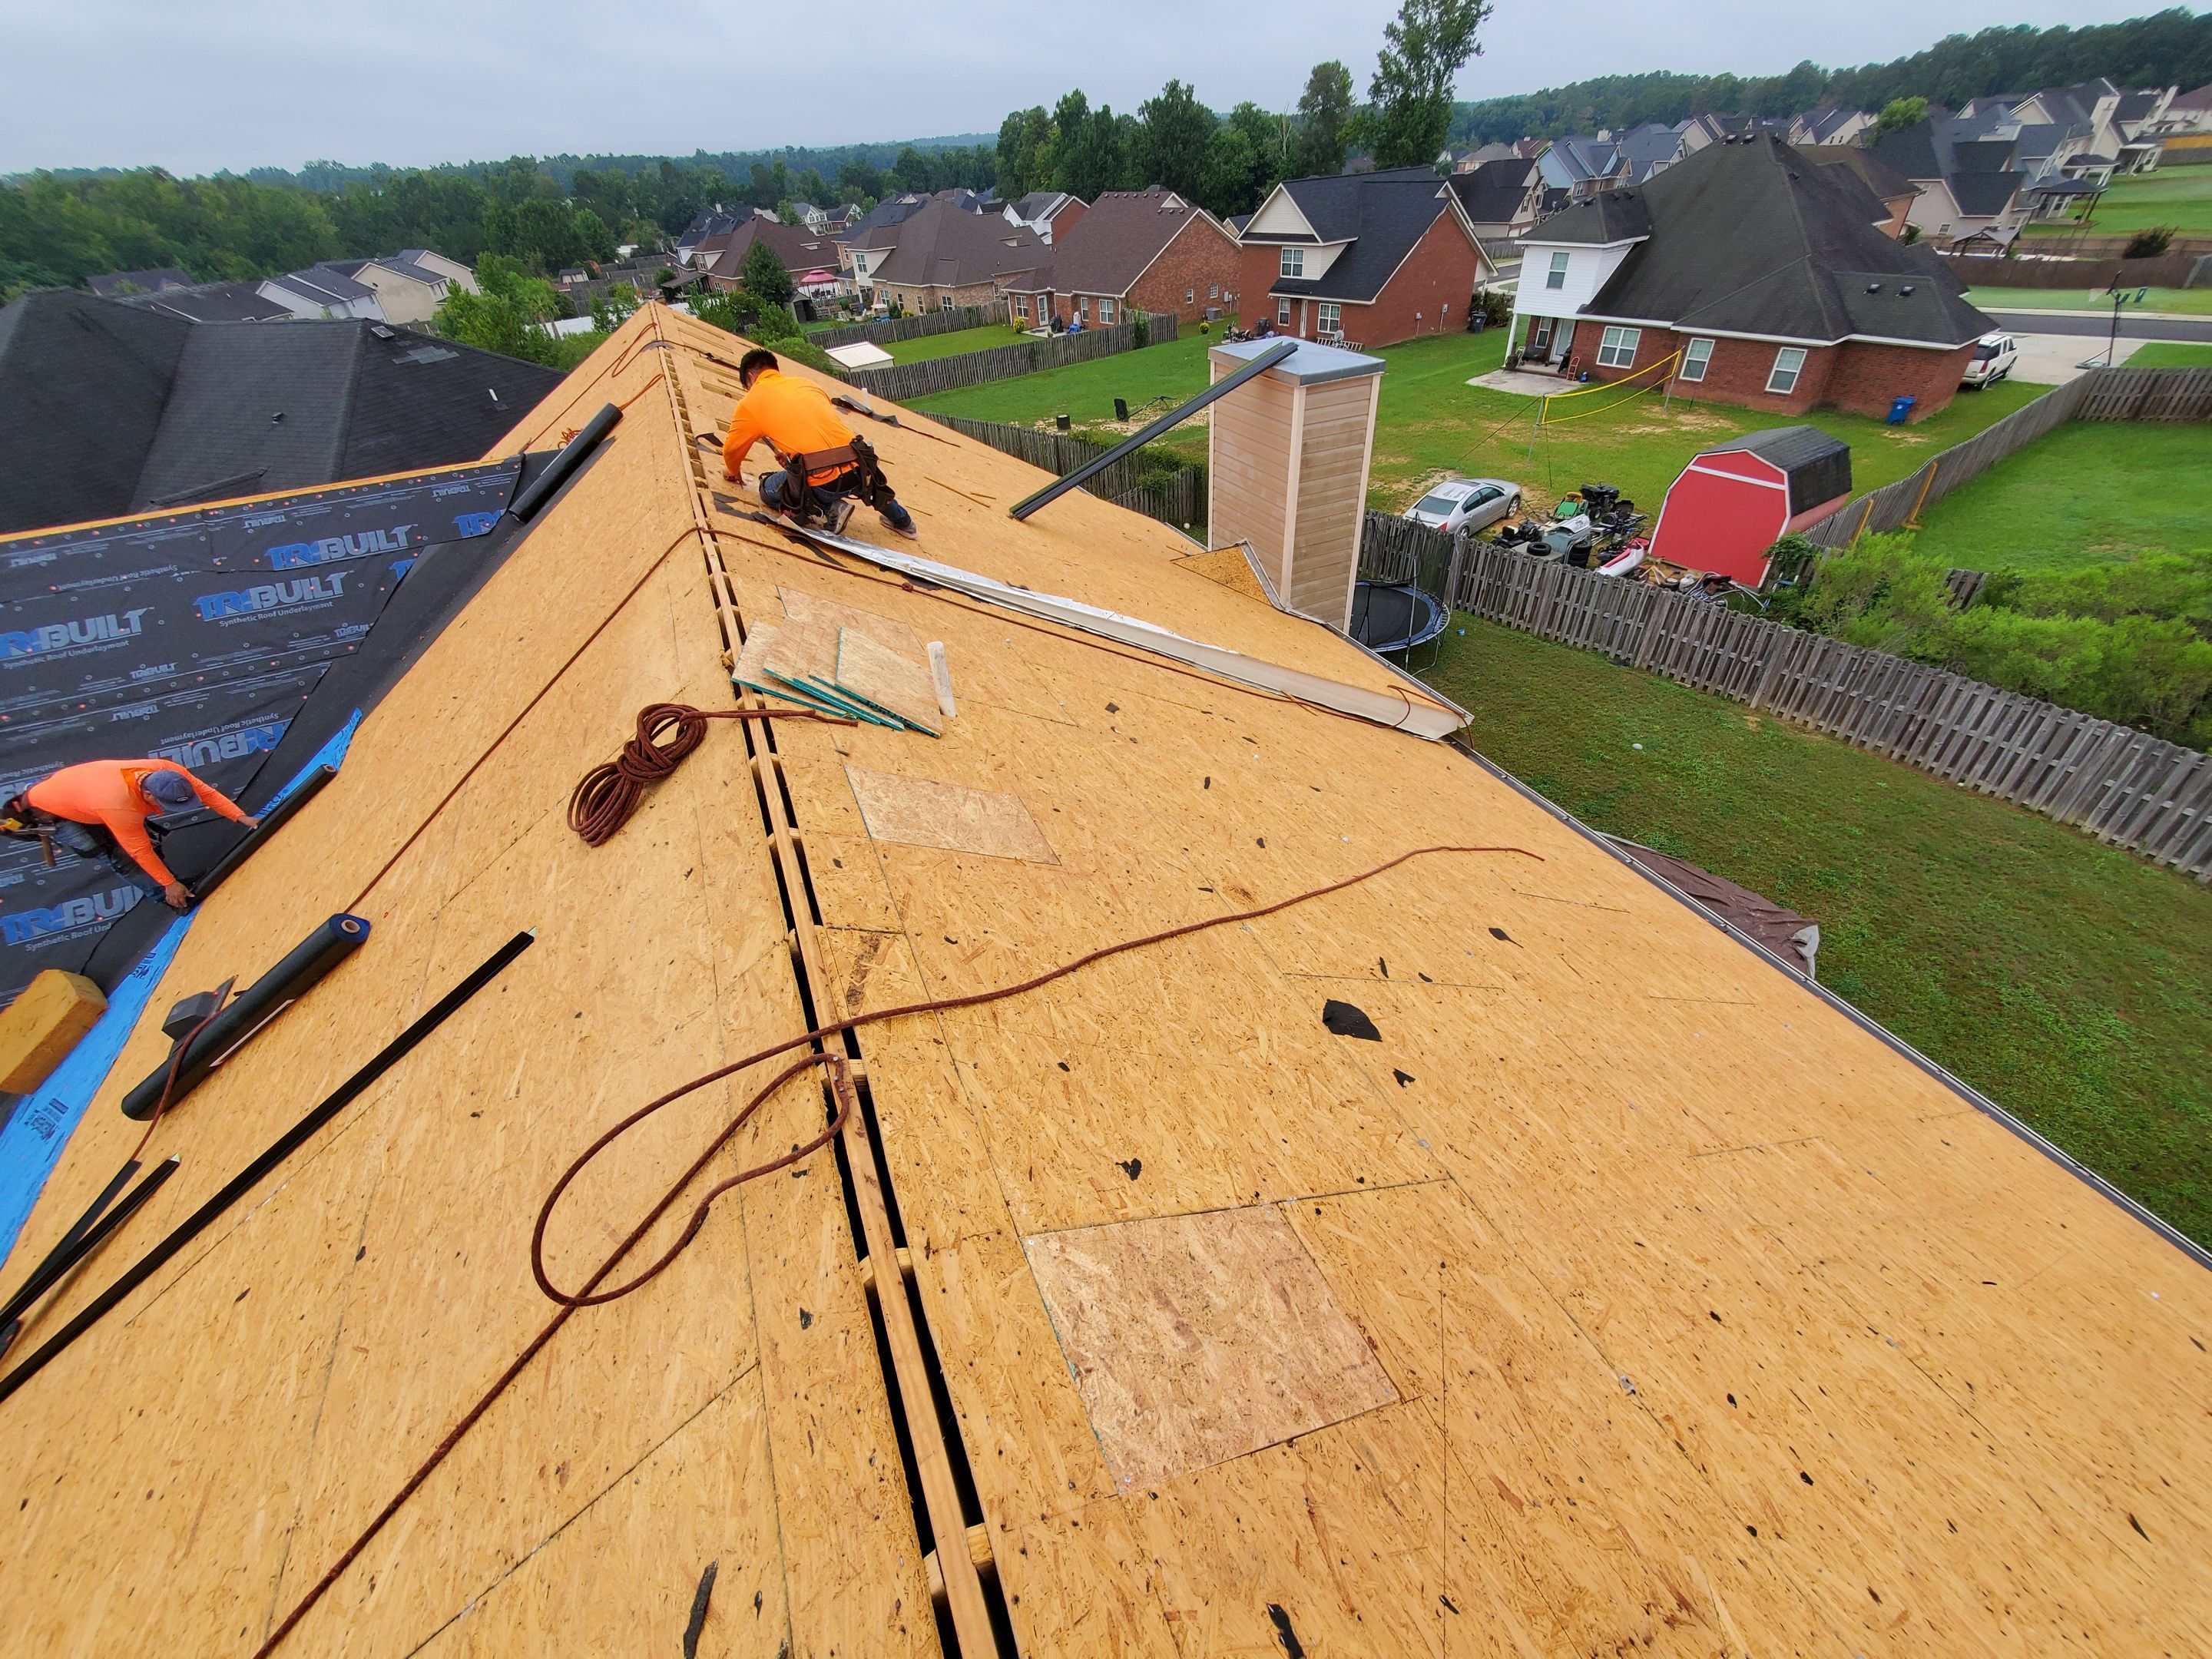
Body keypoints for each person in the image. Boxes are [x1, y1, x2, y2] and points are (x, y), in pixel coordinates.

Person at [2, 760, 258, 911]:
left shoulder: (165, 770)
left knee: (142, 840)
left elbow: (208, 794)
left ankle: (172, 882)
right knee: (118, 855)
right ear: (148, 795)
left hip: (85, 795)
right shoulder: (118, 805)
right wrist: (168, 885)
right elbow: (139, 852)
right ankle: (168, 897)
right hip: (52, 812)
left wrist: (242, 817)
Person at [721, 349, 917, 539]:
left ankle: (831, 509)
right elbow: (817, 428)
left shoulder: (750, 401)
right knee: (871, 486)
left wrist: (733, 471)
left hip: (825, 484)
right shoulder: (807, 384)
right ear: (774, 369)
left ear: (750, 377)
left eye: (747, 385)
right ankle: (904, 522)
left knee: (768, 490)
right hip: (861, 469)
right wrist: (791, 459)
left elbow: (732, 450)